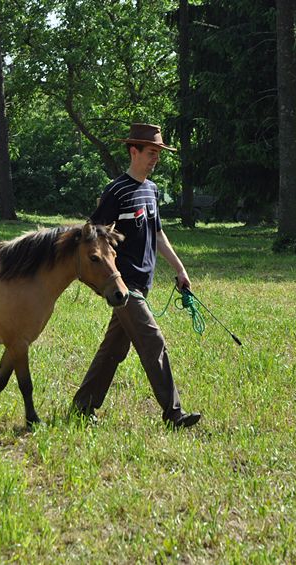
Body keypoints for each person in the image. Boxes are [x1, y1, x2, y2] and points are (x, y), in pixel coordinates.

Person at [72, 123, 201, 429]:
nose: (155, 158)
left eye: (158, 153)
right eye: (151, 152)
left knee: (114, 348)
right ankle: (174, 413)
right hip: (123, 284)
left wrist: (179, 268)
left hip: (143, 282)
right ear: (134, 151)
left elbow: (157, 234)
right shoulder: (116, 191)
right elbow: (93, 236)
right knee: (152, 339)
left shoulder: (151, 190)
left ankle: (82, 406)